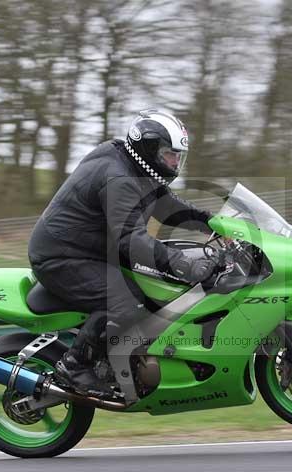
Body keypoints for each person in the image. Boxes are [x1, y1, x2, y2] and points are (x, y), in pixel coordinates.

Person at [27, 109, 217, 393]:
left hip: (89, 249)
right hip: (62, 255)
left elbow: (166, 207)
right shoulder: (119, 178)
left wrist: (212, 222)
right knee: (127, 300)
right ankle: (75, 365)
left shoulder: (134, 165)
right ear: (149, 149)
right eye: (169, 154)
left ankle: (121, 363)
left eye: (178, 155)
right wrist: (182, 264)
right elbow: (131, 239)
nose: (175, 162)